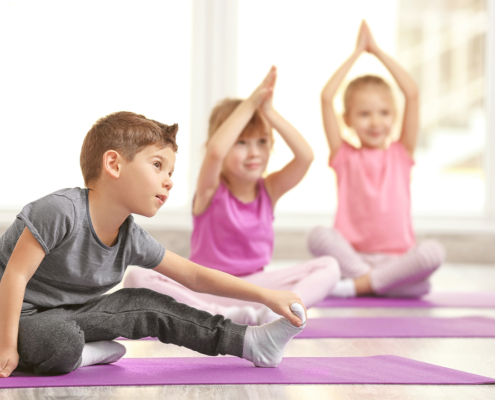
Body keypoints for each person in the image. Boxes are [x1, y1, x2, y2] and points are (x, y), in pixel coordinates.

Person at [0, 112, 307, 377]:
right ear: (114, 165)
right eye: (158, 165)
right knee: (61, 341)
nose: (169, 181)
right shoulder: (59, 211)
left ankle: (250, 343)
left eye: (171, 172)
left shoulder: (131, 237)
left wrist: (267, 297)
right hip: (14, 317)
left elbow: (195, 276)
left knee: (147, 302)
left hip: (69, 316)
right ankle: (85, 354)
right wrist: (7, 347)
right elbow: (15, 275)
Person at [124, 67, 340, 325]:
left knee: (330, 266)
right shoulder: (210, 189)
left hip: (254, 290)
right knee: (137, 277)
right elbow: (215, 151)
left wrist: (268, 111)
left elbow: (305, 156)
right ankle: (218, 314)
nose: (254, 153)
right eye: (241, 142)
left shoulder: (269, 190)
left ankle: (279, 311)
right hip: (206, 287)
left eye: (261, 142)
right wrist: (251, 102)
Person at [307, 21, 445, 298]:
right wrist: (357, 53)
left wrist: (377, 52)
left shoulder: (401, 153)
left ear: (394, 116)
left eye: (384, 113)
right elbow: (326, 97)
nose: (375, 122)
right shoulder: (344, 155)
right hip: (353, 258)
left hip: (396, 260)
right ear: (347, 119)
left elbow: (412, 94)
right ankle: (375, 283)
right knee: (318, 236)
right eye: (364, 114)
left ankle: (360, 286)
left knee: (433, 253)